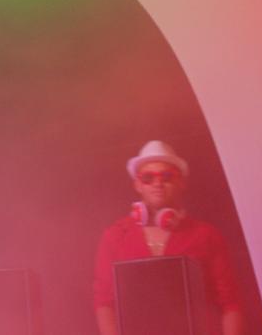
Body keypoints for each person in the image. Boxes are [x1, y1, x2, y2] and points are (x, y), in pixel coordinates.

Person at [93, 140, 244, 335]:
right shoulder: (115, 236)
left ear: (181, 182)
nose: (157, 183)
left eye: (166, 176)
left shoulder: (205, 235)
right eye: (148, 177)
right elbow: (103, 302)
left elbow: (230, 304)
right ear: (137, 185)